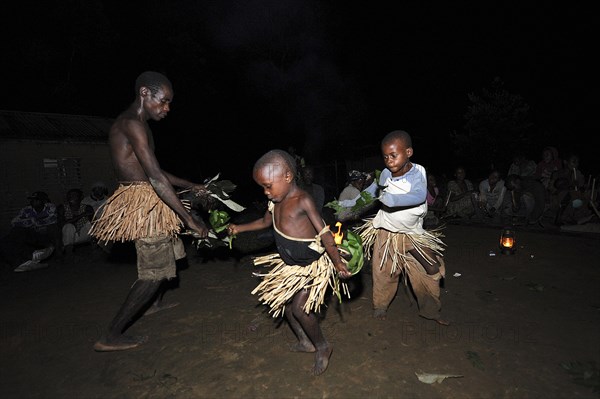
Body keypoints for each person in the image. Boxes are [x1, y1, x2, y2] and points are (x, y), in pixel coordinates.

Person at [89, 71, 209, 352]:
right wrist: (188, 218)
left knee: (172, 254)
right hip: (143, 203)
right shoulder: (132, 124)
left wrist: (191, 184)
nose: (167, 108)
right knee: (154, 273)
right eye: (163, 101)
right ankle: (111, 334)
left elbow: (153, 171)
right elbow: (155, 179)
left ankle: (153, 303)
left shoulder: (138, 124)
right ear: (145, 93)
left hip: (149, 195)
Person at [227, 149, 351, 376]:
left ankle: (323, 346)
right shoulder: (275, 201)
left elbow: (325, 234)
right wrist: (240, 227)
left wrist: (337, 262)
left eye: (267, 185)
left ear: (287, 177)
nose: (265, 192)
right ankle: (305, 342)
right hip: (289, 267)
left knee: (300, 309)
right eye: (262, 187)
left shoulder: (302, 200)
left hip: (310, 267)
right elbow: (265, 222)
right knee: (284, 306)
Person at [357, 130, 447, 325]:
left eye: (394, 155)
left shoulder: (419, 172)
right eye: (385, 156)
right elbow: (369, 194)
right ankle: (380, 305)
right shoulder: (385, 175)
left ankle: (431, 309)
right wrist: (350, 206)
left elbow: (418, 195)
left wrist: (390, 199)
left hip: (412, 233)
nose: (389, 160)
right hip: (387, 232)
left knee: (431, 267)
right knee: (384, 272)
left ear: (408, 152)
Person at [0, 191, 59, 272]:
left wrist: (32, 221)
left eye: (37, 200)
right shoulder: (27, 209)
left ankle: (30, 256)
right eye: (32, 200)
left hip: (45, 235)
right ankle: (24, 261)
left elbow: (52, 220)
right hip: (31, 234)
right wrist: (33, 222)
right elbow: (14, 222)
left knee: (52, 228)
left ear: (44, 201)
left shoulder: (50, 207)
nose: (33, 202)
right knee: (9, 237)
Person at [57, 188, 95, 257]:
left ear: (81, 197)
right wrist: (82, 215)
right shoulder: (62, 208)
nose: (71, 197)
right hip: (70, 238)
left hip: (84, 235)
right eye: (69, 195)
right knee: (68, 226)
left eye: (74, 195)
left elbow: (94, 223)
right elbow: (61, 224)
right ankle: (69, 254)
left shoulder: (87, 207)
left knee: (90, 224)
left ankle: (95, 250)